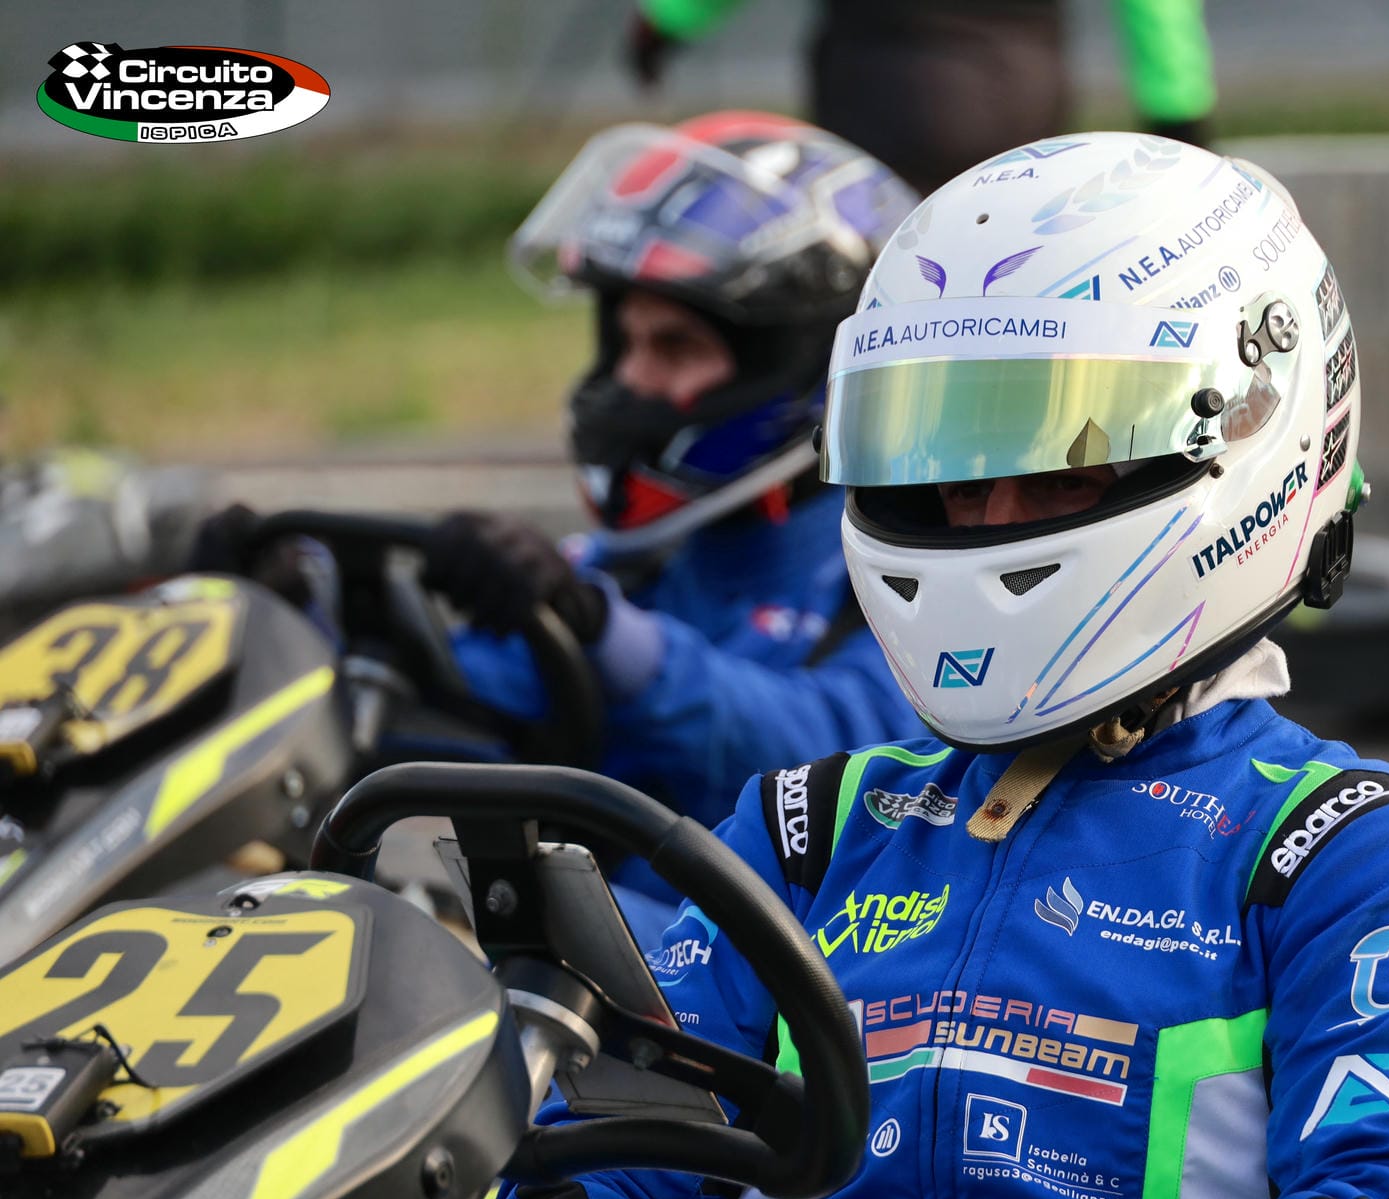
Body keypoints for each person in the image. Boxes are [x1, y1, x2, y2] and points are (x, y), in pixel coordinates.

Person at [489, 133, 1389, 1199]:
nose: (986, 515)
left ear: (1247, 438)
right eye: (950, 464)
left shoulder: (1358, 858)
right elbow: (611, 1146)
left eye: (1060, 464)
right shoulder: (808, 830)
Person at [195, 112, 926, 846]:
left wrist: (602, 632)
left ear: (813, 368)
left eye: (675, 347)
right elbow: (473, 709)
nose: (631, 381)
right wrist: (321, 620)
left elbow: (838, 763)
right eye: (625, 344)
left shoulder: (897, 567)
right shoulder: (644, 565)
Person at [625, 0, 1217, 194]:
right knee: (1008, 306)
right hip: (1016, 99)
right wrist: (1178, 115)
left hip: (872, 99)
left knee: (874, 315)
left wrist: (666, 22)